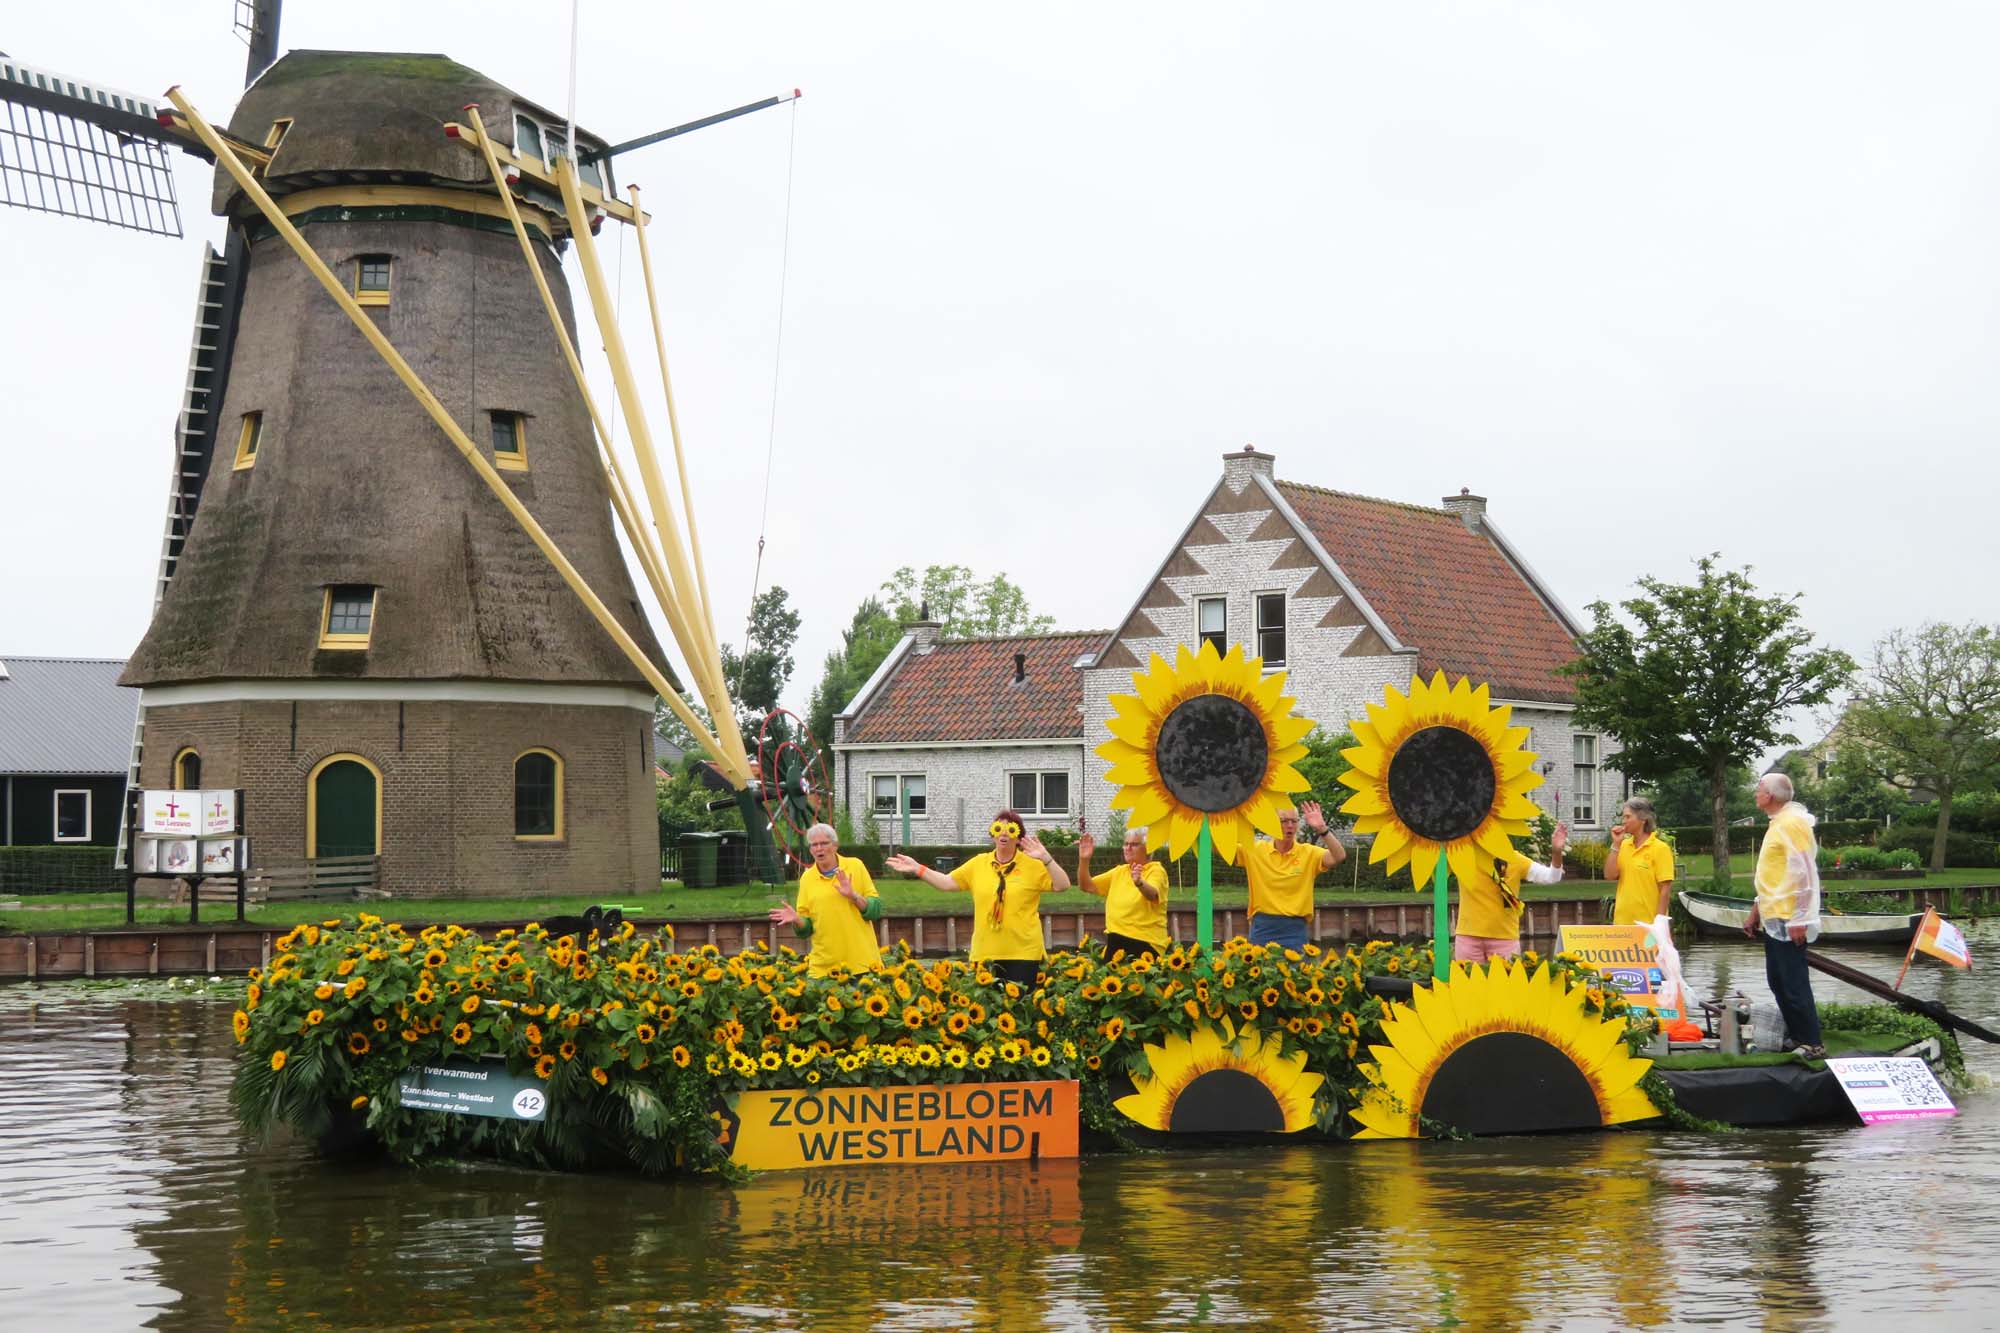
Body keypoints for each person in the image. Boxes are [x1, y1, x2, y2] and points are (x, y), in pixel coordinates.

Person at [887, 810, 1072, 986]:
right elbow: (946, 882)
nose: (1004, 834)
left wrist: (1047, 858)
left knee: (1019, 1010)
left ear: (1019, 838)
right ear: (992, 835)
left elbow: (1063, 885)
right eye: (998, 829)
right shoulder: (978, 864)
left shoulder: (1033, 866)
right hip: (985, 951)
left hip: (1023, 952)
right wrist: (918, 868)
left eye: (1011, 830)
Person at [1744, 772, 1824, 1057]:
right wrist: (1756, 911)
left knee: (1793, 980)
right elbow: (1773, 875)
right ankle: (1798, 1035)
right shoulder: (1779, 823)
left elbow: (1805, 873)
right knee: (1777, 978)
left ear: (1771, 796)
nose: (1756, 793)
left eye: (1760, 788)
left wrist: (1801, 918)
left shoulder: (1791, 824)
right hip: (1773, 914)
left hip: (1790, 917)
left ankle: (1812, 1042)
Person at [769, 823, 883, 977]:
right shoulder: (807, 878)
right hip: (823, 970)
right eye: (814, 845)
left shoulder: (856, 866)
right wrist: (797, 919)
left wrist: (853, 896)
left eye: (823, 843)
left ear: (835, 845)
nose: (819, 848)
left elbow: (875, 911)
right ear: (810, 850)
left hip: (861, 966)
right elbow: (806, 929)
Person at [1455, 822, 1568, 964]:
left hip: (1504, 940)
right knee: (1467, 985)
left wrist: (1556, 851)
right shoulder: (1463, 856)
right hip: (1468, 937)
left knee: (1505, 986)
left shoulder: (1515, 860)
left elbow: (1552, 877)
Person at [1241, 800, 1346, 951]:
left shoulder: (1309, 853)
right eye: (1283, 821)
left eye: (1294, 821)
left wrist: (1322, 829)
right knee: (1260, 973)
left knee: (1296, 972)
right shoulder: (1254, 850)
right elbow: (1217, 848)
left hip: (1295, 930)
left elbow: (1339, 856)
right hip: (1262, 928)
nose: (1289, 826)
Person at [1076, 826, 1170, 959]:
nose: (1128, 848)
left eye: (1134, 844)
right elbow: (1086, 886)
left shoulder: (1156, 870)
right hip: (1116, 941)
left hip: (1145, 942)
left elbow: (1152, 894)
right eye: (1126, 844)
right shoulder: (1119, 872)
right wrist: (1084, 859)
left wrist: (1139, 882)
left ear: (1148, 848)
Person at [1604, 797, 1675, 926]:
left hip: (1648, 925)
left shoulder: (1660, 849)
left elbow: (1665, 890)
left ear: (1643, 819)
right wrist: (1615, 845)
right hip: (1622, 924)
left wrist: (1659, 924)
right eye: (1623, 817)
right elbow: (1609, 876)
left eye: (1628, 817)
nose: (1623, 821)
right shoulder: (1623, 845)